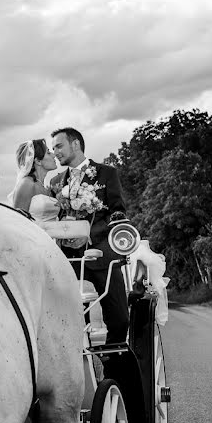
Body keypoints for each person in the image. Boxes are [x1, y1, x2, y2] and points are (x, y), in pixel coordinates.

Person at [49, 127, 129, 345]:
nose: (55, 152)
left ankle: (113, 366)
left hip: (103, 255)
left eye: (59, 146)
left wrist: (88, 234)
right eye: (53, 148)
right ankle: (82, 365)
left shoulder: (106, 173)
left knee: (120, 318)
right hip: (68, 260)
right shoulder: (55, 182)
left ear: (75, 144)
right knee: (70, 319)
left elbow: (117, 213)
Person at [8, 139, 60, 222]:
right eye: (48, 153)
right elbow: (18, 220)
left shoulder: (47, 188)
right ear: (38, 161)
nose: (54, 155)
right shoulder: (26, 184)